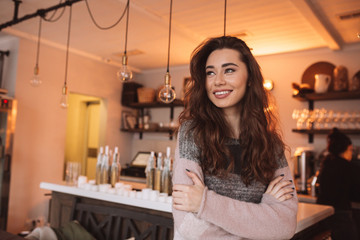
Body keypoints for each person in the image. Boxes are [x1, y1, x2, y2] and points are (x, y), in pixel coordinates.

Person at [171, 36, 298, 240]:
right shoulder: (192, 133)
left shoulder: (270, 144)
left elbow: (285, 226)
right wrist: (263, 214)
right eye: (210, 72)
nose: (218, 80)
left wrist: (205, 203)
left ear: (249, 78)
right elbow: (190, 226)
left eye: (229, 70)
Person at [317, 128, 360, 240]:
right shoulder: (349, 167)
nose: (351, 154)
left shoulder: (326, 162)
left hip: (322, 215)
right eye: (351, 150)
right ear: (346, 149)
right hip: (341, 216)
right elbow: (357, 194)